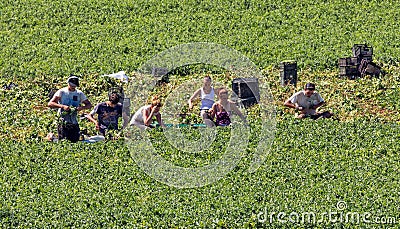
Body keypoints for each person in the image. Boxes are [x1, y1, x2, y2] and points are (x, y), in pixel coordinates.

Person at [48, 76, 92, 142]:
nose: (73, 87)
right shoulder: (62, 92)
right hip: (63, 121)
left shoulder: (79, 93)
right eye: (71, 85)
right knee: (63, 141)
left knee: (75, 140)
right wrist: (63, 106)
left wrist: (80, 108)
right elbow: (50, 103)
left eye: (74, 86)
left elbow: (89, 105)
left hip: (74, 121)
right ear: (68, 83)